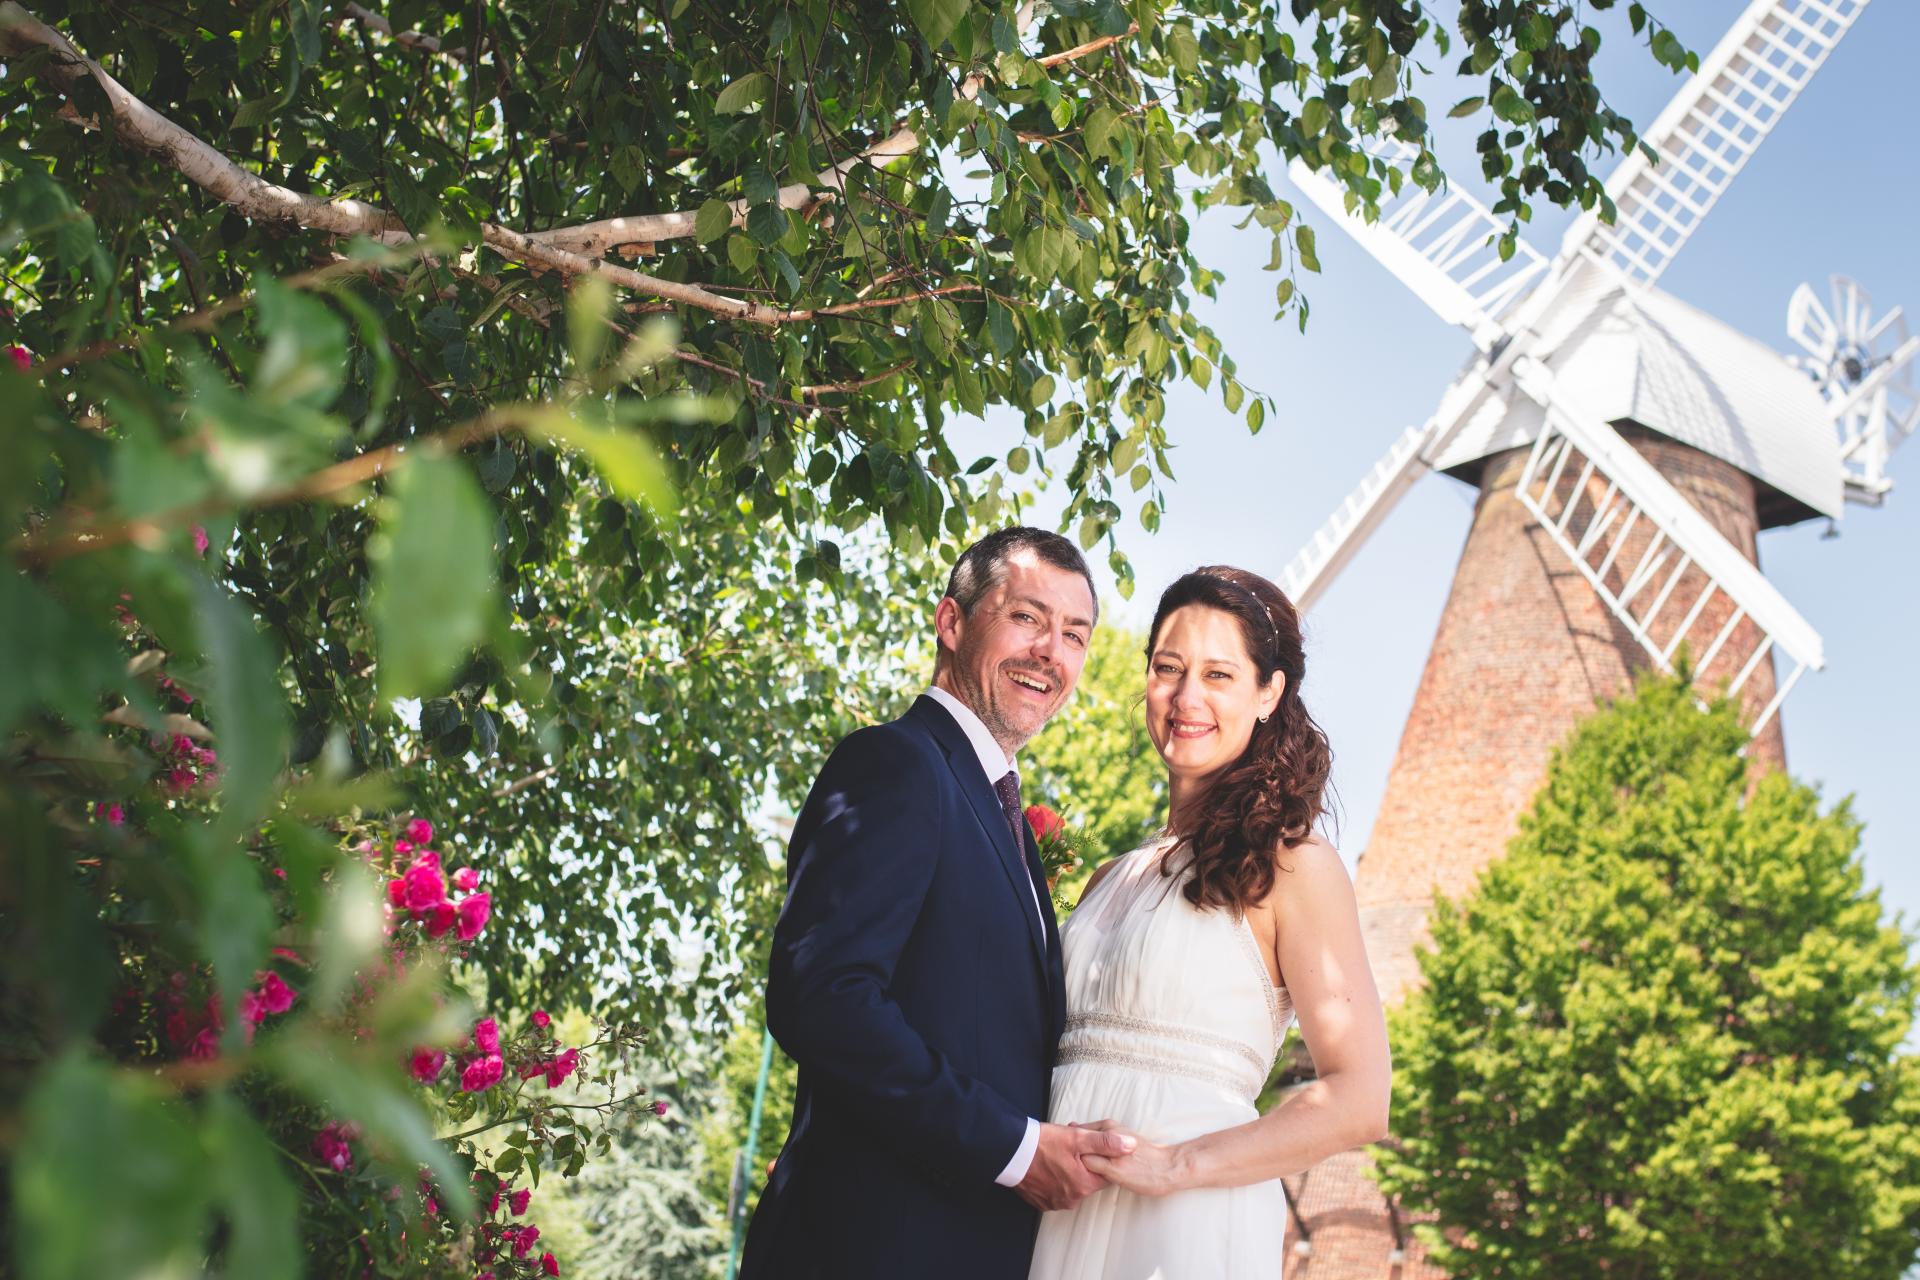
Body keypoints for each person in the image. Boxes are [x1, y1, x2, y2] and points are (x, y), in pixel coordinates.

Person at [739, 527, 1137, 1280]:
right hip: (867, 1249)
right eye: (1027, 618)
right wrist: (1018, 1151)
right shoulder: (893, 763)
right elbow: (823, 998)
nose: (1051, 651)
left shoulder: (1002, 816)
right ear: (951, 622)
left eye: (1074, 635)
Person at [1027, 566, 1391, 1279]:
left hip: (1183, 1224)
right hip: (1053, 1216)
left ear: (1268, 693)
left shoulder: (1294, 865)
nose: (1187, 697)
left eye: (1219, 675)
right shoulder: (1109, 878)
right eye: (1169, 667)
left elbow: (1360, 1095)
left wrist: (1176, 1166)